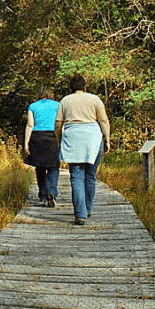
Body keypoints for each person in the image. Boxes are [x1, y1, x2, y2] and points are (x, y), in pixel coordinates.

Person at [55, 74, 111, 225]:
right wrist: (107, 139)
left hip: (73, 138)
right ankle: (88, 207)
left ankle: (80, 214)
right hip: (93, 138)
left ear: (71, 87)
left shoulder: (65, 101)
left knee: (76, 176)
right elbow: (103, 120)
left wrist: (60, 141)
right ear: (84, 86)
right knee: (91, 175)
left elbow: (58, 124)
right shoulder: (94, 99)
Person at [24, 86, 60, 207]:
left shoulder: (33, 106)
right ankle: (52, 191)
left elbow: (30, 125)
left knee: (40, 168)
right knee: (53, 166)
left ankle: (43, 194)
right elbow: (61, 124)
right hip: (52, 136)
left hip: (37, 137)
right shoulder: (58, 105)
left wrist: (26, 143)